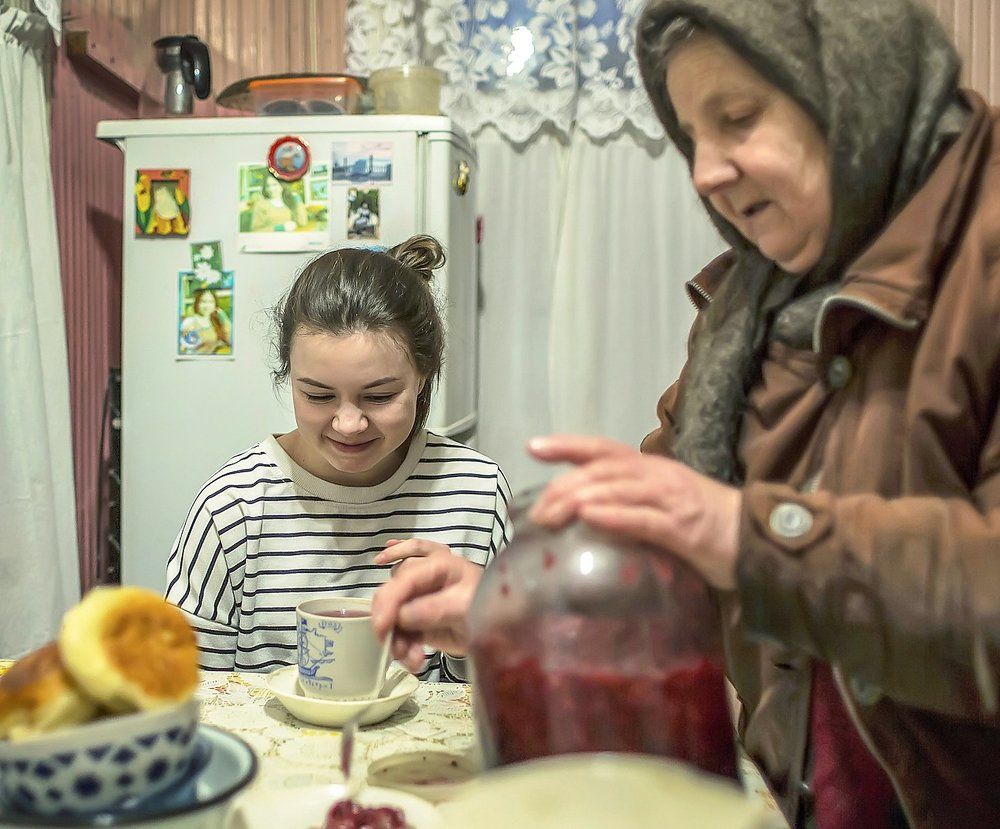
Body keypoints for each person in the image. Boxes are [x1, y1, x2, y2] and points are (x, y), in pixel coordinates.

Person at [373, 1, 1000, 826]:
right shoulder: (751, 304)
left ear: (857, 81)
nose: (704, 173)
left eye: (738, 118)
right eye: (692, 137)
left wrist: (750, 536)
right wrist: (517, 610)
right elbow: (665, 554)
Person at [166, 236, 511, 682]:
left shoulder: (477, 492)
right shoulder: (233, 507)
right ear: (289, 376)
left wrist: (478, 633)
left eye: (379, 396)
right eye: (318, 395)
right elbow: (183, 694)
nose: (349, 424)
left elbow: (516, 700)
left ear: (423, 377)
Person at [179, 288, 231, 355]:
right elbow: (184, 350)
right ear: (197, 303)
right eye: (203, 301)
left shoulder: (215, 321)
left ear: (215, 304)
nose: (207, 305)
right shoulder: (190, 323)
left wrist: (224, 317)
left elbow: (230, 340)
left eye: (211, 302)